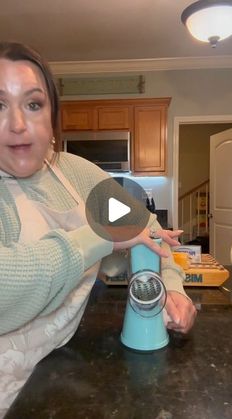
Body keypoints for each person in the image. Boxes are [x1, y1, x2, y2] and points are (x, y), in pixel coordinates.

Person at [0, 41, 197, 417]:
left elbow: (153, 235)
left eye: (33, 104)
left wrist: (172, 289)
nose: (18, 124)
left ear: (51, 115)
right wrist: (100, 237)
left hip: (58, 380)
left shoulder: (76, 175)